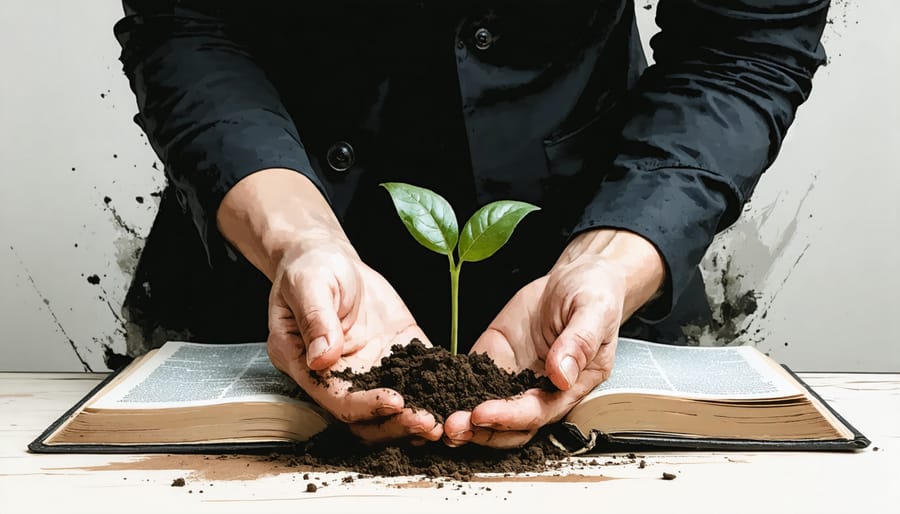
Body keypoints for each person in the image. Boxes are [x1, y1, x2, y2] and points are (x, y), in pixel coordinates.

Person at [114, 1, 830, 448]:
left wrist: (612, 260)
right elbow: (185, 22)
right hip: (266, 275)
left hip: (593, 281)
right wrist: (299, 239)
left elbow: (743, 43)